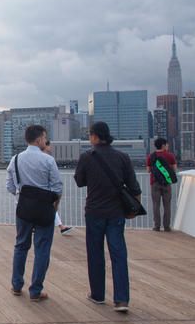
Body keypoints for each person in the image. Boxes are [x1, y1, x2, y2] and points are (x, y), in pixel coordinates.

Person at [74, 121, 140, 312]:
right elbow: (134, 187)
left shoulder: (87, 157)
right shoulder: (123, 157)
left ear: (94, 136)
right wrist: (133, 210)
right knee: (118, 254)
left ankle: (97, 295)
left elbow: (79, 181)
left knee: (95, 254)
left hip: (94, 211)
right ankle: (121, 300)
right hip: (116, 212)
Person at [6, 125, 63, 301]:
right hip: (45, 209)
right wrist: (52, 203)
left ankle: (16, 285)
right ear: (39, 140)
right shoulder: (48, 160)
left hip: (23, 209)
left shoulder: (15, 159)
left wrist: (23, 194)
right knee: (42, 249)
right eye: (45, 138)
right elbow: (58, 187)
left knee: (21, 245)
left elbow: (10, 187)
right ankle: (35, 290)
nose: (45, 141)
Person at [146, 138, 178, 232]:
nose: (167, 146)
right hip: (167, 183)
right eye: (167, 145)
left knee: (156, 205)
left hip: (155, 183)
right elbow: (174, 169)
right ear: (163, 145)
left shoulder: (151, 156)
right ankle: (167, 226)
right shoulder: (170, 155)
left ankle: (157, 226)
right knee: (167, 205)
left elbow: (148, 170)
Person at [44, 140, 72, 235]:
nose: (50, 148)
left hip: (41, 193)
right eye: (49, 146)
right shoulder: (48, 160)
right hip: (47, 191)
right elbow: (57, 182)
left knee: (50, 209)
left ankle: (61, 227)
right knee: (51, 209)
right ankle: (61, 227)